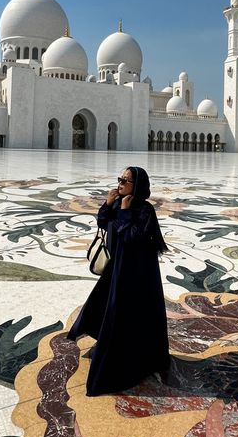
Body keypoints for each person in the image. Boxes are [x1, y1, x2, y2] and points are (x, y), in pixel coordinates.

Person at [68, 166, 169, 396]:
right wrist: (107, 203)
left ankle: (126, 360)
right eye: (120, 179)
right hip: (116, 269)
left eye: (126, 180)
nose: (121, 183)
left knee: (124, 316)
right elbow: (103, 223)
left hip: (135, 276)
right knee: (105, 309)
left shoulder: (145, 211)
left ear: (138, 186)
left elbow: (134, 238)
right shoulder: (117, 203)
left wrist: (124, 211)